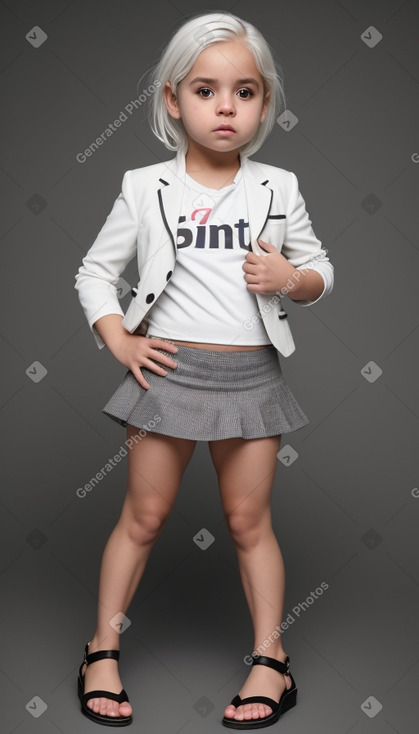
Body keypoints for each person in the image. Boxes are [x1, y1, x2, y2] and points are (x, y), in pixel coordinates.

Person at [74, 10, 334, 729]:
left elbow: (319, 271)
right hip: (168, 376)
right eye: (206, 89)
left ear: (264, 103)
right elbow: (96, 272)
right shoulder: (144, 185)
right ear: (171, 99)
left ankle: (270, 662)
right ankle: (101, 648)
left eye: (245, 91)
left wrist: (291, 279)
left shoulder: (278, 187)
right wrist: (121, 340)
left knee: (249, 521)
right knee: (145, 515)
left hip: (250, 378)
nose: (226, 106)